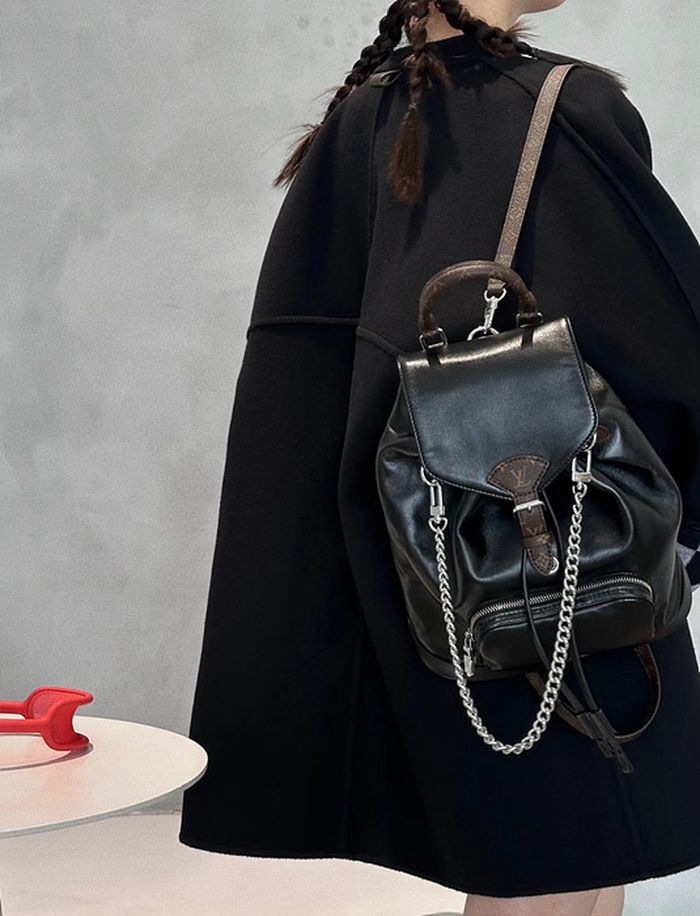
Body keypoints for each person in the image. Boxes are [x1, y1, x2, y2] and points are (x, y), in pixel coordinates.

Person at [179, 2, 700, 914]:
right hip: (571, 555)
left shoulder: (359, 117)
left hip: (427, 571)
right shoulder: (564, 107)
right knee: (574, 854)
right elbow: (658, 334)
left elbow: (300, 379)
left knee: (533, 857)